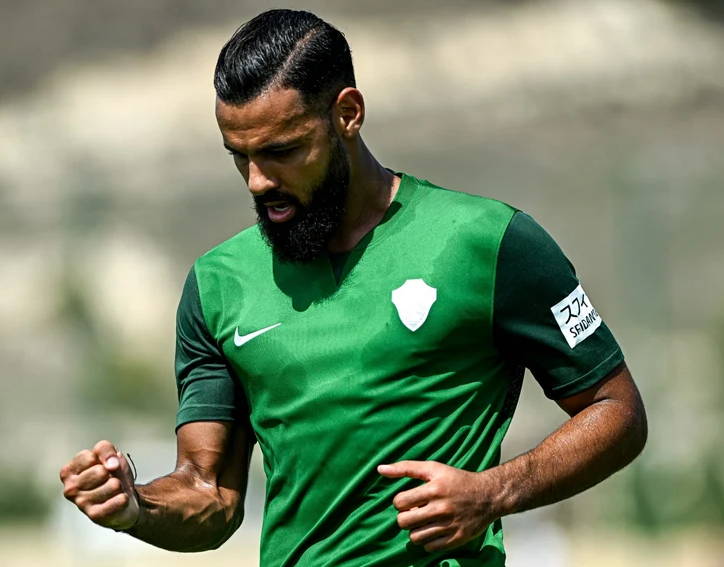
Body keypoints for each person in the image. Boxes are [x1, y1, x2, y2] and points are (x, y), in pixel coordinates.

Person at [59, 9, 647, 566]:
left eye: (282, 151)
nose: (259, 181)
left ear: (347, 113)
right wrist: (135, 507)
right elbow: (209, 495)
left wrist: (493, 493)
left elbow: (616, 410)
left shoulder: (490, 242)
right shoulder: (217, 285)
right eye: (238, 157)